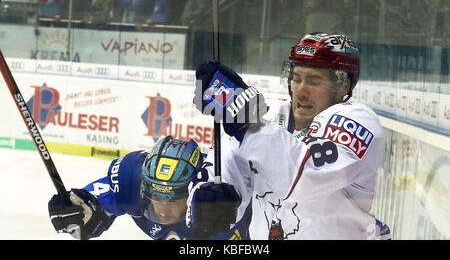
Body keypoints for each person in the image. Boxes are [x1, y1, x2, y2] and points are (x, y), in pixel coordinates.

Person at [190, 32, 391, 239]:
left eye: (313, 82)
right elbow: (225, 168)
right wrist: (205, 200)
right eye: (296, 79)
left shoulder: (358, 119)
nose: (301, 92)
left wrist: (246, 122)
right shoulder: (270, 116)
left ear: (344, 85)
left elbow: (307, 174)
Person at [47, 136, 246, 240]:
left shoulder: (220, 201)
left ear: (193, 191)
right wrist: (74, 214)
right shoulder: (130, 184)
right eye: (156, 199)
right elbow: (90, 204)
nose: (163, 210)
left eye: (173, 200)